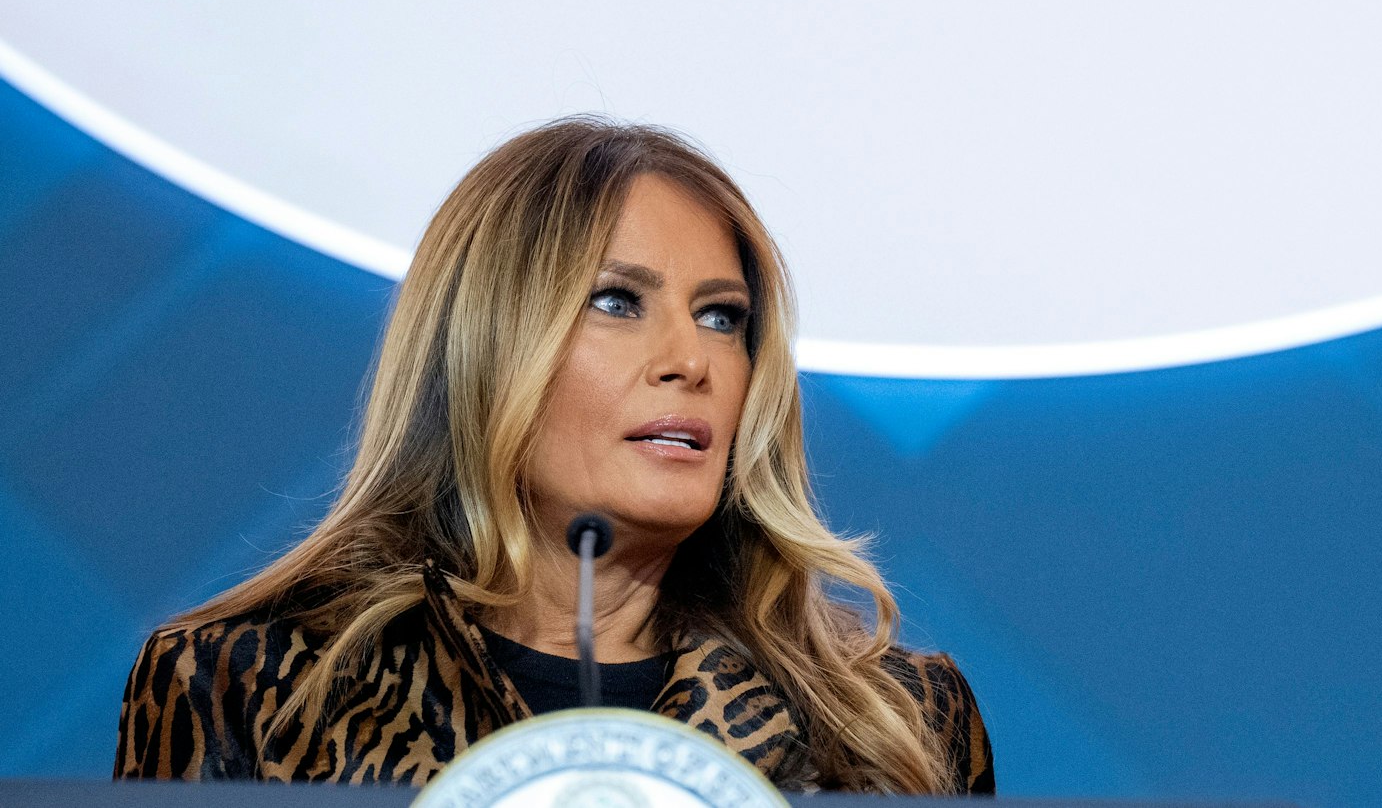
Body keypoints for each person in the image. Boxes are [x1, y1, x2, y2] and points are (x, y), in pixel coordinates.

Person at [113, 117, 995, 793]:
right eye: (617, 301)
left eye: (722, 316)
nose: (691, 359)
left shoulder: (896, 722)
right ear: (487, 345)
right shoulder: (244, 688)